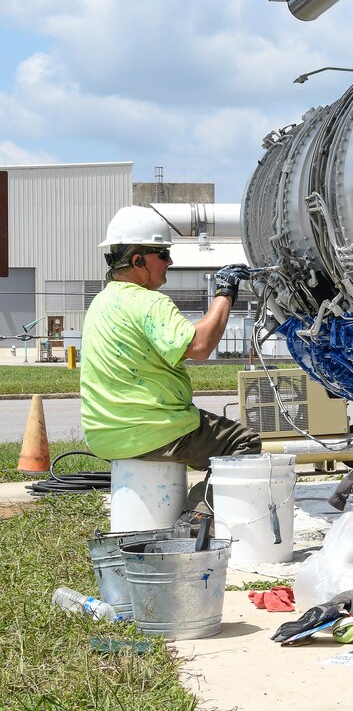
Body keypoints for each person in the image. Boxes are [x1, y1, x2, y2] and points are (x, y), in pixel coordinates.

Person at [80, 205, 262, 515]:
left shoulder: (101, 301)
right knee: (243, 443)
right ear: (138, 260)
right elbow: (201, 346)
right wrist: (226, 291)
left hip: (104, 434)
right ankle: (198, 518)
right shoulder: (148, 302)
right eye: (162, 254)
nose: (170, 261)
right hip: (152, 431)